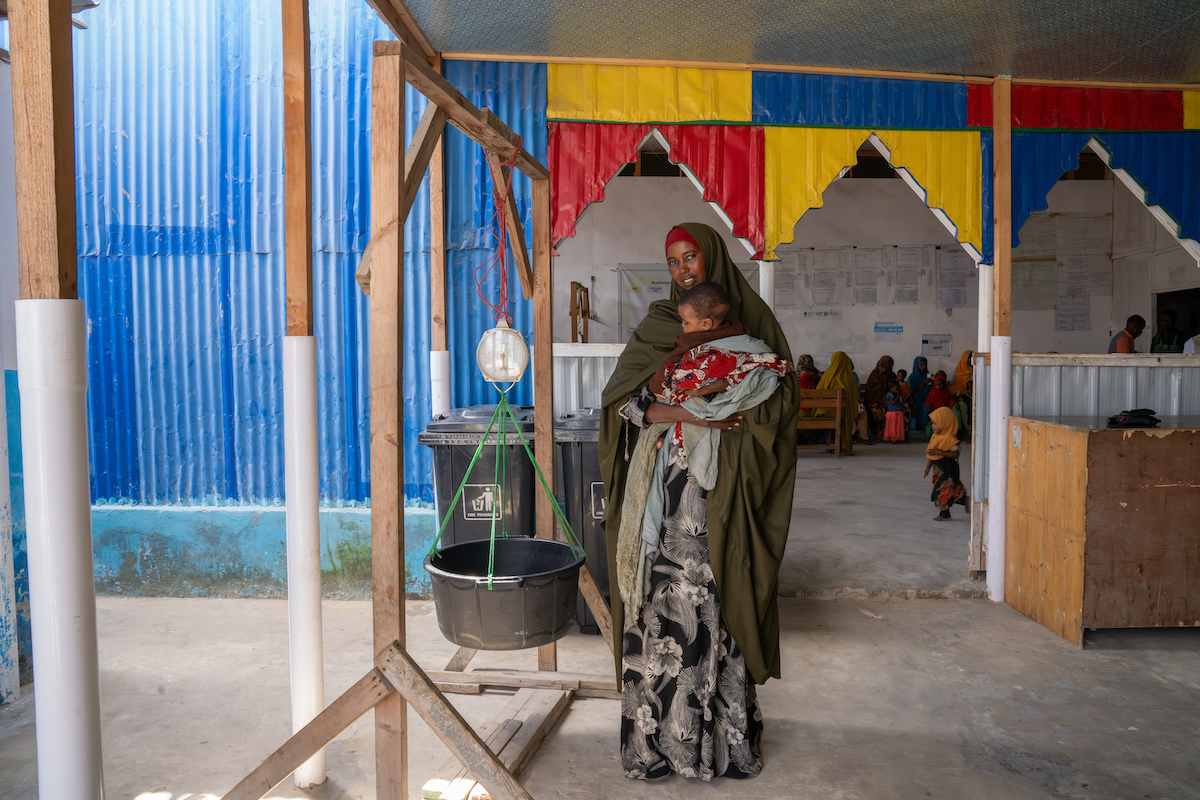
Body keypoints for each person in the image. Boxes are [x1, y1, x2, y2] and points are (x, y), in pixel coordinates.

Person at [599, 223, 799, 781]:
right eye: (673, 261)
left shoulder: (754, 329)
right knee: (660, 617)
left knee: (719, 615)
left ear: (711, 258)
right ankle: (654, 748)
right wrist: (695, 411)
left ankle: (723, 748)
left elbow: (777, 410)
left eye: (691, 256)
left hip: (725, 498)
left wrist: (727, 412)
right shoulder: (661, 327)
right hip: (665, 507)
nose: (684, 267)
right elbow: (627, 403)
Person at [650, 282, 790, 455]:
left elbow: (669, 363)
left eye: (686, 322)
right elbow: (754, 347)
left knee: (675, 389)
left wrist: (656, 385)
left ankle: (698, 395)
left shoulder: (690, 340)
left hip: (704, 390)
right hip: (726, 386)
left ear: (706, 323)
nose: (682, 326)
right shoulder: (737, 329)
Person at [802, 351, 857, 455]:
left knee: (827, 414)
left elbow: (818, 394)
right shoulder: (850, 377)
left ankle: (830, 444)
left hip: (826, 412)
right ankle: (840, 446)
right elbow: (853, 398)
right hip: (843, 414)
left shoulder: (828, 375)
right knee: (841, 416)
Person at [923, 407, 967, 521]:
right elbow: (932, 454)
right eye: (932, 423)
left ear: (945, 423)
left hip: (948, 468)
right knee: (947, 490)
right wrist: (928, 467)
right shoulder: (935, 437)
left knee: (941, 491)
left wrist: (940, 452)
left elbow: (956, 454)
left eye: (935, 424)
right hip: (938, 469)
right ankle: (965, 500)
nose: (932, 426)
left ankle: (945, 515)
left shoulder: (950, 439)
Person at [863, 356, 896, 442]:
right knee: (878, 411)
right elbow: (870, 392)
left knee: (890, 410)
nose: (881, 370)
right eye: (880, 367)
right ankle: (878, 433)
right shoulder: (874, 375)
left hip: (885, 400)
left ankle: (888, 435)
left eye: (884, 368)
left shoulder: (891, 376)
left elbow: (894, 390)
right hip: (872, 401)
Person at [947, 351, 973, 441]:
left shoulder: (976, 371)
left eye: (972, 358)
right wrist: (956, 399)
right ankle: (965, 432)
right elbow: (953, 388)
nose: (970, 361)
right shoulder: (958, 372)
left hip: (973, 397)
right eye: (968, 358)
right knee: (961, 409)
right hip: (959, 397)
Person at [908, 357, 934, 432]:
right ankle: (928, 431)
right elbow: (913, 395)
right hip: (916, 401)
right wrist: (922, 384)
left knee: (928, 406)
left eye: (925, 364)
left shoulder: (930, 376)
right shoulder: (912, 378)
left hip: (929, 399)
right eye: (921, 364)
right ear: (916, 365)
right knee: (925, 409)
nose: (923, 366)